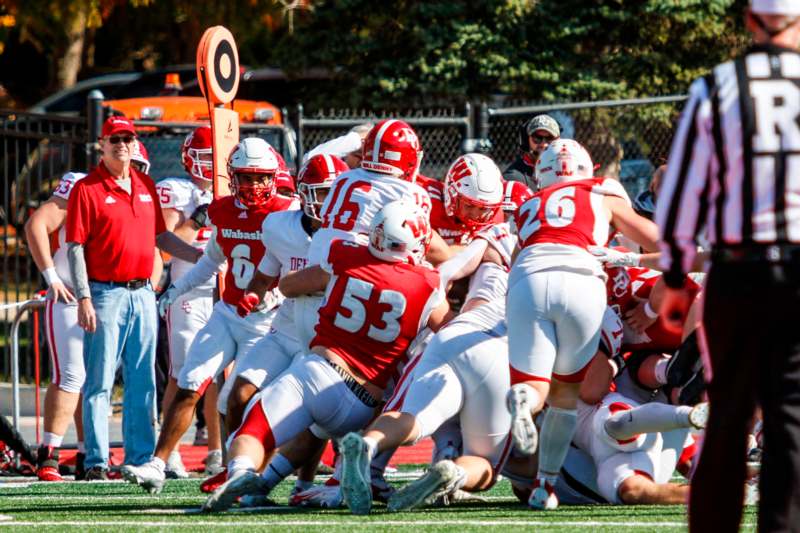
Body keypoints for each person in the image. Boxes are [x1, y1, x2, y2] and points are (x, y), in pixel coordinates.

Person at [201, 200, 449, 513]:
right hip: (364, 404)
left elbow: (289, 286)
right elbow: (449, 330)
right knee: (315, 430)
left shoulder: (346, 255)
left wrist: (330, 285)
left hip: (319, 371)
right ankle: (288, 482)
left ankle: (241, 472)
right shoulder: (428, 285)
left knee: (254, 431)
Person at [656, 1, 800, 530]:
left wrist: (673, 274)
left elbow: (682, 191)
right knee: (792, 418)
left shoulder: (719, 87)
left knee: (728, 415)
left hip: (739, 270)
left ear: (748, 21)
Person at [121, 137, 297, 493]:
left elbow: (299, 263)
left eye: (259, 177)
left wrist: (277, 295)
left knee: (239, 396)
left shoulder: (286, 212)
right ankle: (157, 464)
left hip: (264, 321)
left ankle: (238, 469)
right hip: (226, 313)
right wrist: (176, 289)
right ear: (232, 177)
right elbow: (211, 262)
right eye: (244, 177)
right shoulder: (223, 210)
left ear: (273, 177)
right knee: (190, 382)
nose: (252, 185)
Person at [506, 139, 659, 510]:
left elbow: (515, 262)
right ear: (586, 169)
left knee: (534, 388)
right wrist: (624, 255)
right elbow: (658, 241)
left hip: (528, 279)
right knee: (564, 396)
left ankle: (522, 403)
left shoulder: (528, 205)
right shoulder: (601, 193)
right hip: (581, 278)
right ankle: (545, 487)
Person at [65, 116, 201, 480]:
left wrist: (202, 258)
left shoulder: (145, 184)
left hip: (143, 291)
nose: (122, 144)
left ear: (135, 142)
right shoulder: (87, 189)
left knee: (143, 380)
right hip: (104, 292)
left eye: (127, 138)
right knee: (101, 378)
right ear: (102, 143)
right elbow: (75, 246)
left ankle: (141, 457)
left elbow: (163, 238)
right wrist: (83, 297)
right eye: (115, 138)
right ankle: (95, 460)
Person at [153, 126, 219, 478]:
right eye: (204, 157)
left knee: (220, 376)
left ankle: (216, 452)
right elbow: (163, 243)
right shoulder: (175, 190)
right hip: (188, 294)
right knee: (182, 375)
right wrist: (198, 219)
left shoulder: (231, 189)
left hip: (225, 292)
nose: (210, 165)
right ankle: (172, 451)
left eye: (215, 157)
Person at [24, 171, 87, 481]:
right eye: (115, 143)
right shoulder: (81, 184)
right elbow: (37, 223)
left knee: (96, 379)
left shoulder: (137, 192)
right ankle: (50, 452)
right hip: (70, 296)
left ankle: (92, 454)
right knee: (70, 374)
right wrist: (52, 277)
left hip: (108, 296)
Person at [502, 114, 560, 190]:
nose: (544, 144)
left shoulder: (565, 170)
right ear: (526, 141)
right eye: (537, 138)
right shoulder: (514, 179)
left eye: (550, 138)